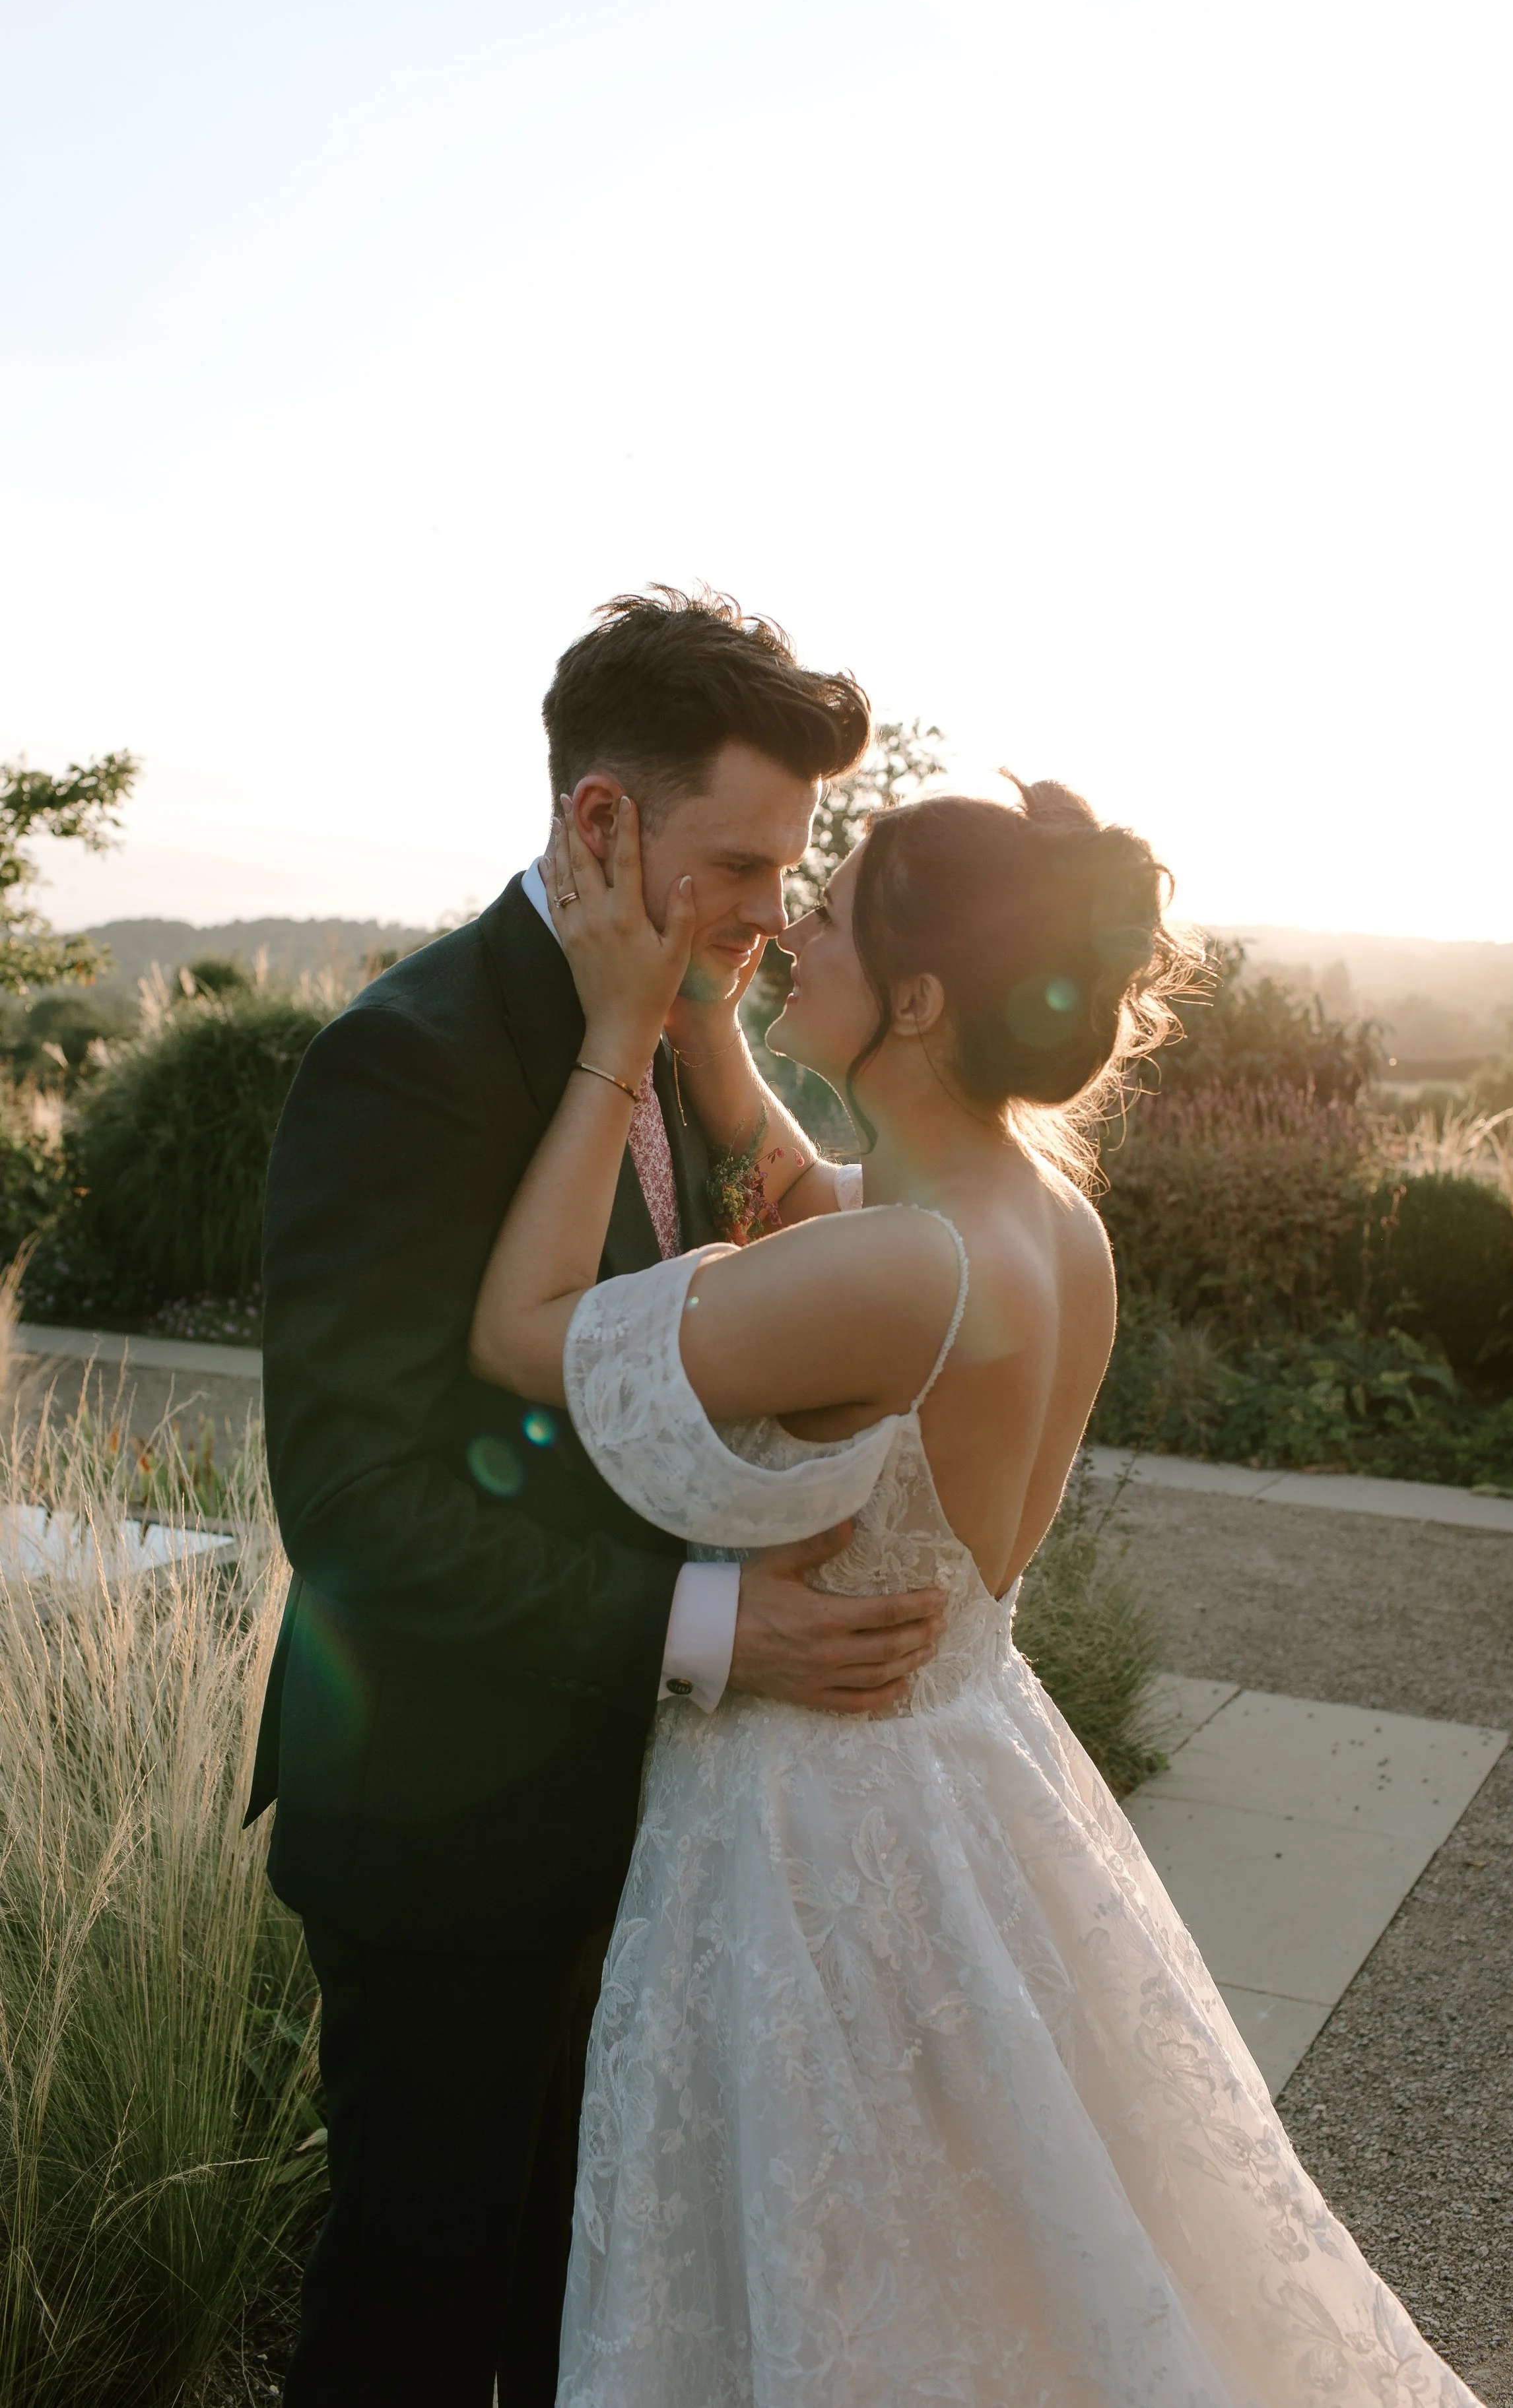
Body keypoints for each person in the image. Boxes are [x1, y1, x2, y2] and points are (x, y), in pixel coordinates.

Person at [467, 779, 1487, 2407]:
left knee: (838, 2277)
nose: (791, 918)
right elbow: (818, 1210)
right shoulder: (1035, 1220)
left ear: (920, 1000)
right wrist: (715, 1033)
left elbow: (525, 1334)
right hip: (969, 1768)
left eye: (834, 905)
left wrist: (613, 1034)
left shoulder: (902, 1271)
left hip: (819, 1824)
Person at [251, 589, 953, 2408]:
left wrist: (699, 1042)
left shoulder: (690, 1048)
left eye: (788, 872)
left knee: (580, 2309)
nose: (768, 915)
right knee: (413, 2310)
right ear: (600, 826)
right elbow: (360, 1503)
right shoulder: (404, 1061)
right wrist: (726, 1626)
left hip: (649, 1819)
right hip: (445, 1833)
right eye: (737, 862)